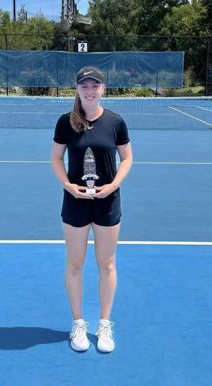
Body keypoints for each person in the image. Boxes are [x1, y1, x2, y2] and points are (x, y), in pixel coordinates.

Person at [50, 66, 133, 353]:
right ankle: (77, 323)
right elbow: (57, 159)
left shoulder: (116, 122)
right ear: (77, 89)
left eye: (94, 85)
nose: (89, 90)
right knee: (75, 264)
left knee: (107, 264)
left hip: (108, 201)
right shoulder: (65, 122)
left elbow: (127, 158)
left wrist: (112, 186)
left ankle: (104, 325)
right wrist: (68, 186)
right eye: (84, 85)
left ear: (103, 89)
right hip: (75, 201)